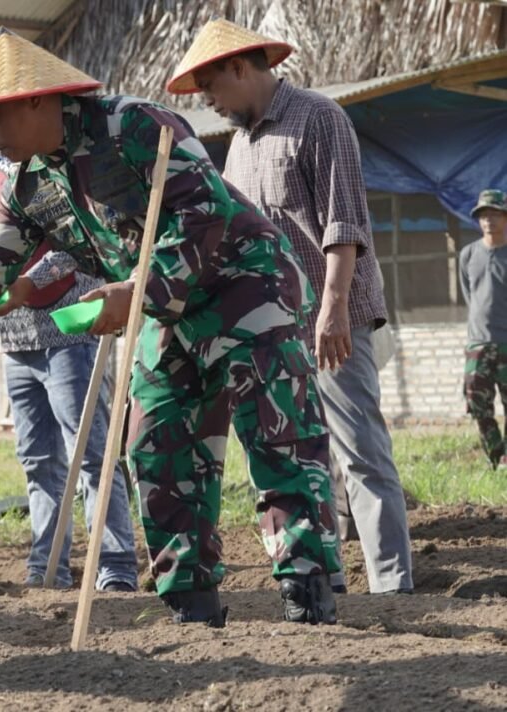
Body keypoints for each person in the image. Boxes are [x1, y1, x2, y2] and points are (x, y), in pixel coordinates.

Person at [0, 29, 340, 626]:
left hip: (245, 287)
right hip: (160, 310)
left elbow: (204, 213)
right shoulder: (27, 184)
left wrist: (138, 291)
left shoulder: (135, 126)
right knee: (153, 445)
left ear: (34, 99)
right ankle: (191, 601)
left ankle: (306, 592)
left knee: (277, 436)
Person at [169, 19, 413, 595]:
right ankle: (327, 575)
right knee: (306, 459)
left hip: (334, 320)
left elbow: (344, 223)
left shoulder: (319, 118)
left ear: (239, 67)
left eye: (210, 87)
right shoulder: (238, 150)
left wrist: (331, 309)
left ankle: (392, 586)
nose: (208, 100)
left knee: (360, 453)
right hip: (274, 327)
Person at [0, 58, 139, 592]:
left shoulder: (47, 160)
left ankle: (115, 567)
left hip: (70, 325)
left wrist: (25, 287)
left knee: (92, 455)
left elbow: (71, 246)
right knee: (38, 461)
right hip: (16, 337)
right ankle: (46, 564)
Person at [459, 189, 507, 469]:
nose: (488, 220)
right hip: (478, 344)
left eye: (494, 214)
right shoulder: (468, 254)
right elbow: (471, 295)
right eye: (483, 215)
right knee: (477, 404)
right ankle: (497, 457)